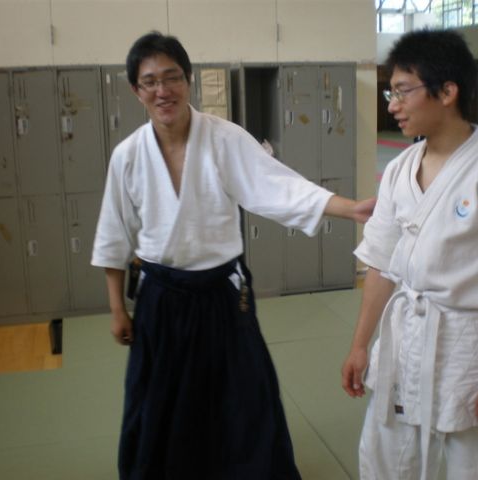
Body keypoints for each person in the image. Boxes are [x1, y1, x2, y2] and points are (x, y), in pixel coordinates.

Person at [91, 31, 375, 480]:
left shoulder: (223, 138)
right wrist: (116, 309)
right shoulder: (127, 155)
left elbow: (277, 187)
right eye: (150, 81)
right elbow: (114, 233)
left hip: (222, 293)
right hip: (161, 297)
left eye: (172, 77)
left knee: (244, 398)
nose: (162, 90)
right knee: (160, 402)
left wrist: (350, 209)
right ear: (135, 90)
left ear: (188, 80)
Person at [341, 29, 478, 480]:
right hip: (402, 343)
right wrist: (360, 344)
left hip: (468, 349)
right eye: (391, 92)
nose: (392, 105)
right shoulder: (398, 169)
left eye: (403, 91)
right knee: (384, 464)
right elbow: (380, 263)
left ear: (447, 92)